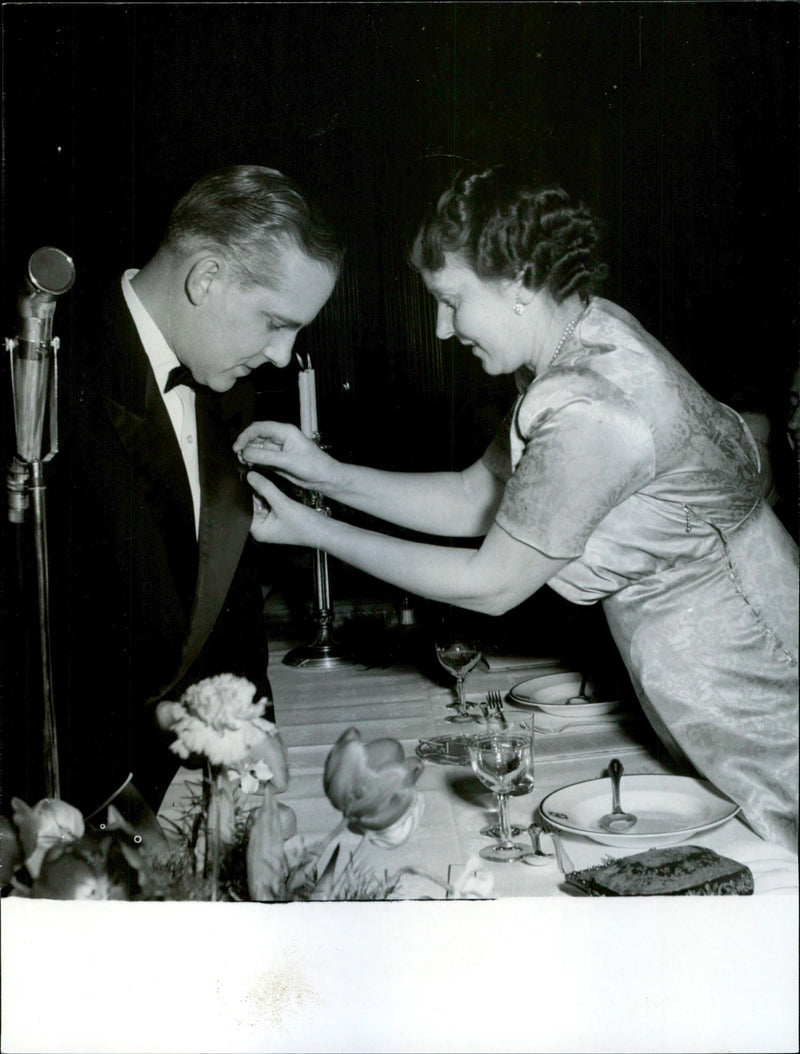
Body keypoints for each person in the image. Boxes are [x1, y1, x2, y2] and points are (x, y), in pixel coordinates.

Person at [236, 166, 799, 851]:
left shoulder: (593, 405)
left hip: (749, 678)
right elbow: (478, 496)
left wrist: (313, 529)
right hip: (695, 670)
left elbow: (492, 583)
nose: (442, 330)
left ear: (522, 283)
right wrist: (328, 472)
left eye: (451, 300)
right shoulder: (576, 346)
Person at [1, 165, 341, 840]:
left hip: (165, 789)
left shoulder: (224, 382)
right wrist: (122, 818)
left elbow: (226, 599)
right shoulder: (48, 377)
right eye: (276, 323)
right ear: (206, 278)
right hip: (58, 817)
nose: (282, 356)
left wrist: (248, 723)